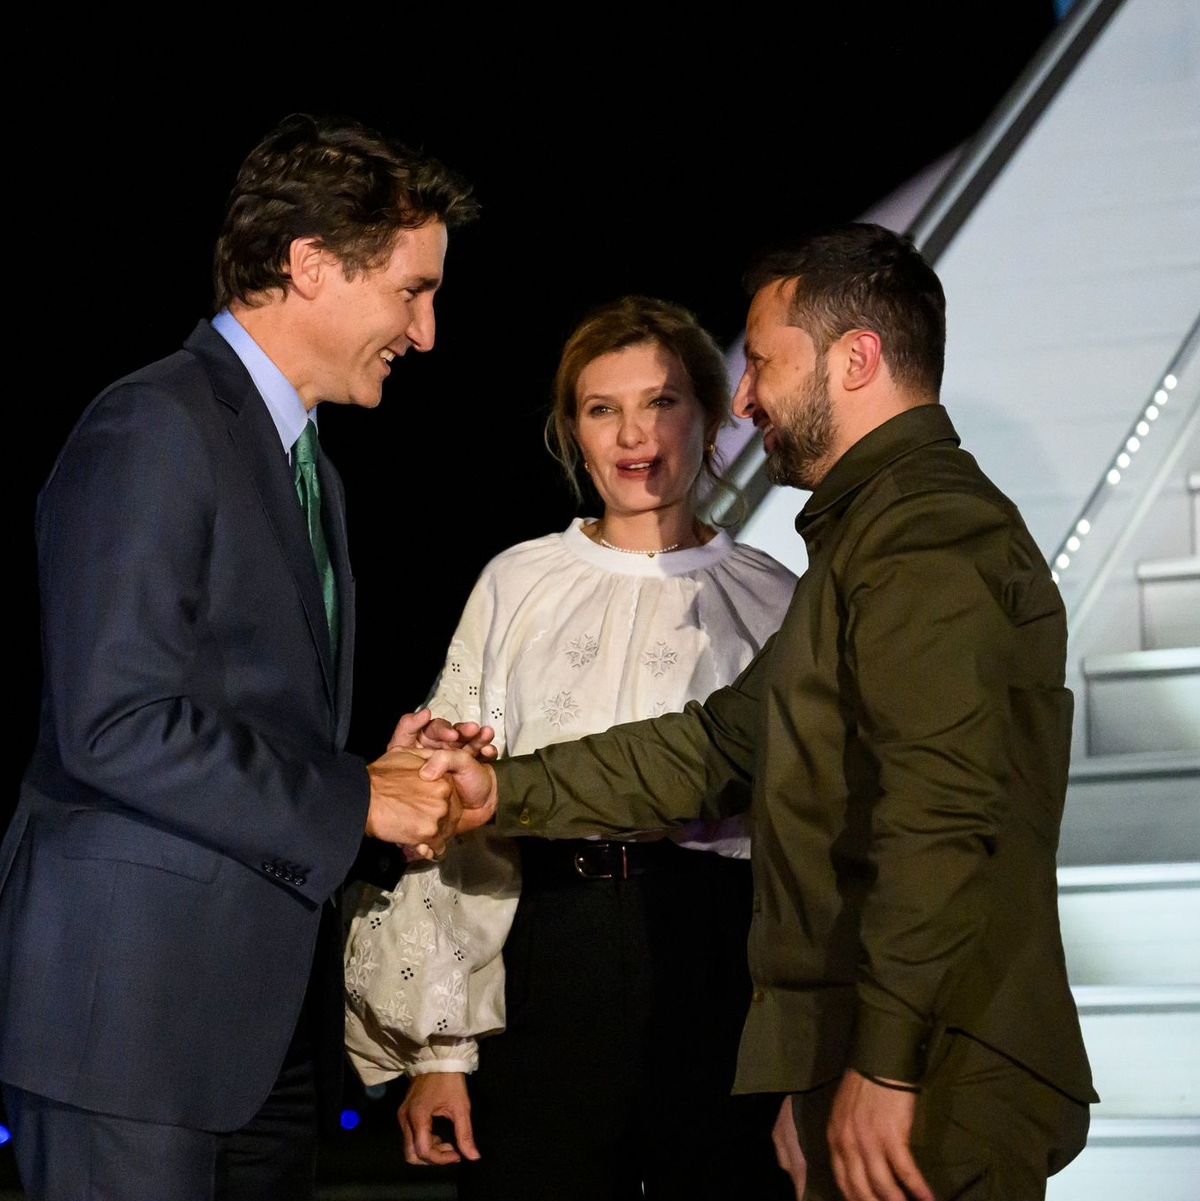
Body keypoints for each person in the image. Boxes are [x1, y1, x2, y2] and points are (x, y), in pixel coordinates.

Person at [435, 225, 1098, 1201]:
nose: (743, 398)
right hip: (901, 1057)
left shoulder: (926, 543)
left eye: (763, 365)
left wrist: (885, 1062)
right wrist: (498, 785)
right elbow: (723, 744)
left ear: (857, 358)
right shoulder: (871, 543)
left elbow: (941, 820)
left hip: (938, 1073)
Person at [0, 113, 477, 1200]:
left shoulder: (309, 466)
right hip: (127, 1031)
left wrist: (377, 771)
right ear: (310, 265)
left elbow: (246, 723)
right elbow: (114, 723)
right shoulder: (154, 426)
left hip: (249, 1034)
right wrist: (354, 794)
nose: (428, 330)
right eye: (414, 289)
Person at [344, 296, 799, 1200]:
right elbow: (453, 812)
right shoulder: (519, 584)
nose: (635, 434)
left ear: (709, 418)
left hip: (719, 961)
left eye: (662, 401)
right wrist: (442, 1051)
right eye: (602, 408)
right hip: (550, 948)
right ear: (573, 433)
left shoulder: (774, 598)